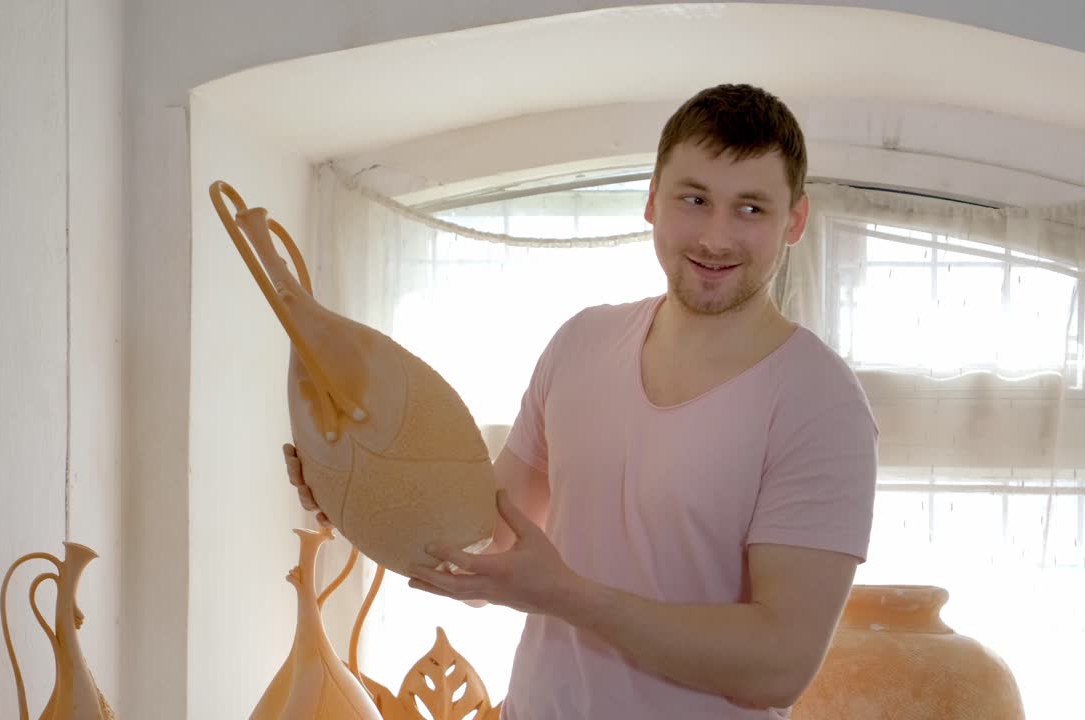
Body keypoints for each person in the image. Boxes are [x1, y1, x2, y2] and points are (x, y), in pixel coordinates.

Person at [285, 83, 878, 719]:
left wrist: (569, 597)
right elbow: (488, 552)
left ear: (794, 221)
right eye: (694, 198)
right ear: (652, 201)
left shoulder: (821, 403)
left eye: (751, 209)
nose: (715, 236)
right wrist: (359, 495)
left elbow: (777, 667)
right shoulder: (581, 343)